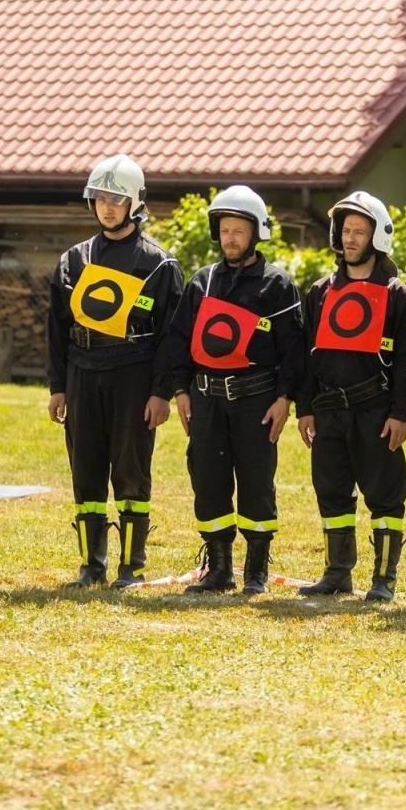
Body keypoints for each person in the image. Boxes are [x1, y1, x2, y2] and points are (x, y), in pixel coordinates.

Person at [159, 186, 305, 594]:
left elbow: (294, 352)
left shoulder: (278, 285)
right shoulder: (202, 283)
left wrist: (285, 399)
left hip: (257, 401)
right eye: (225, 230)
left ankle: (255, 570)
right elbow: (179, 340)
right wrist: (181, 391)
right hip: (206, 399)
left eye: (239, 230)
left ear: (256, 233)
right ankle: (219, 567)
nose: (231, 238)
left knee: (257, 481)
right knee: (207, 479)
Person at [47, 154, 182, 588]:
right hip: (82, 372)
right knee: (85, 468)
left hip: (133, 374)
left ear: (135, 204)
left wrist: (161, 392)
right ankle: (91, 565)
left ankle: (131, 566)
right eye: (101, 198)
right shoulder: (73, 260)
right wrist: (57, 387)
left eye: (117, 199)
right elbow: (56, 329)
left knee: (130, 468)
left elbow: (171, 339)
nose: (108, 207)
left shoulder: (159, 265)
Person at [294, 192, 406, 602]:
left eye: (359, 232)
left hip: (376, 411)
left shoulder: (397, 294)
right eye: (346, 231)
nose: (350, 239)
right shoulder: (319, 291)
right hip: (329, 412)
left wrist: (401, 413)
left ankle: (384, 578)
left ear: (377, 237)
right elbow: (306, 355)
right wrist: (306, 408)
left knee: (385, 496)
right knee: (331, 491)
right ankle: (337, 574)